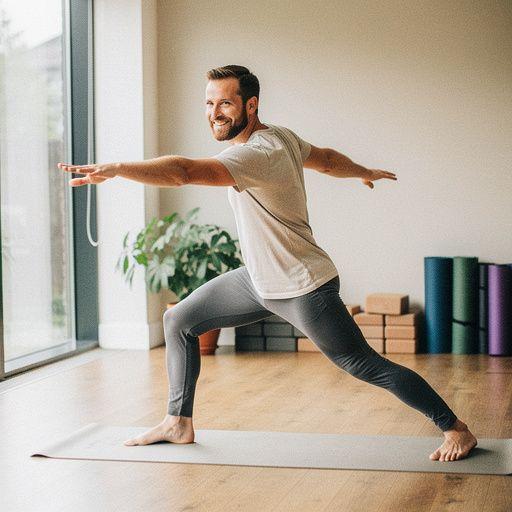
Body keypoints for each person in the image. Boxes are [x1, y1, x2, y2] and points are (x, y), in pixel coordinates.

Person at [57, 65, 477, 462]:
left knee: (363, 364)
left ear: (250, 105)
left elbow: (184, 172)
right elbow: (326, 159)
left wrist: (116, 169)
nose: (214, 114)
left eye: (224, 104)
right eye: (208, 103)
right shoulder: (283, 138)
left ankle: (455, 427)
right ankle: (177, 421)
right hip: (260, 279)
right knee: (179, 320)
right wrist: (361, 170)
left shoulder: (260, 153)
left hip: (302, 285)